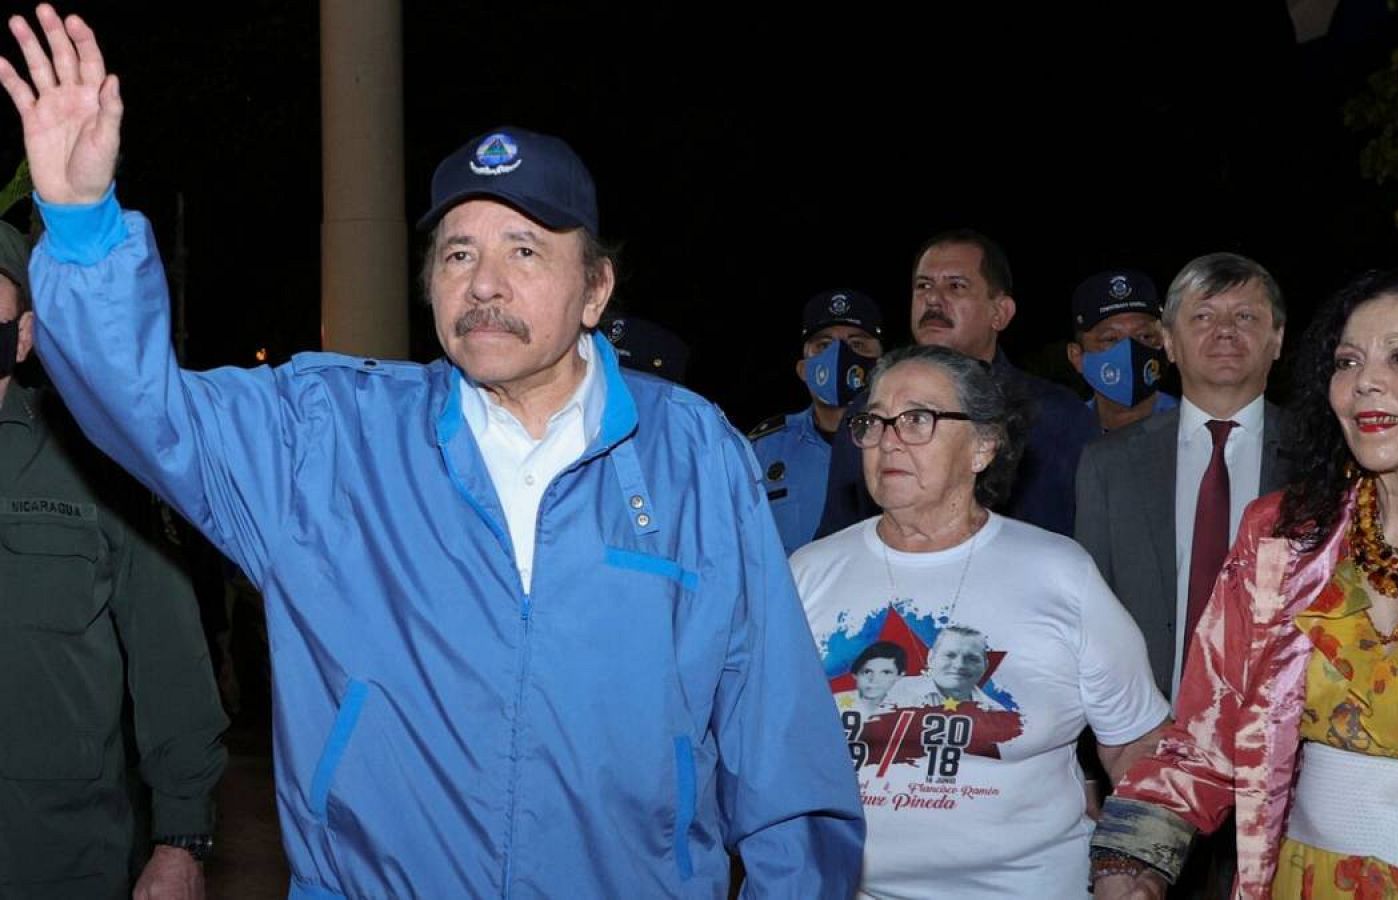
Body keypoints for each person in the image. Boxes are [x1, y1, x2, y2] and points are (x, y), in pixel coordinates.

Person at [1, 8, 863, 897]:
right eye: (458, 253)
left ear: (596, 287)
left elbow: (780, 754)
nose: (484, 283)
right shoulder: (329, 436)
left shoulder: (691, 455)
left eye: (524, 249)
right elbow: (146, 409)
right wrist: (84, 228)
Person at [1090, 268, 1398, 898]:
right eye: (1347, 361)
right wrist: (1132, 860)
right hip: (1309, 880)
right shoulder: (1279, 537)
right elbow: (1208, 731)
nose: (1366, 382)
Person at [793, 344, 1168, 897]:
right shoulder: (809, 573)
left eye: (917, 418)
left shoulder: (1059, 573)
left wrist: (1134, 862)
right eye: (873, 421)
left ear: (983, 446)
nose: (887, 438)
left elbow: (1140, 742)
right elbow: (768, 745)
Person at [0, 217, 227, 898]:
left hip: (56, 862)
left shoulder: (89, 463)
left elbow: (169, 655)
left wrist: (181, 838)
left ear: (25, 335)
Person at [1075, 252, 1289, 700]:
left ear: (1278, 338)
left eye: (1246, 316)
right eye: (1204, 316)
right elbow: (1087, 619)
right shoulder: (1109, 465)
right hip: (1148, 736)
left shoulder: (1325, 460)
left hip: (1285, 739)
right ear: (1169, 343)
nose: (1226, 330)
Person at [814, 230, 1099, 540]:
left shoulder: (1058, 416)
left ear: (999, 313)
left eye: (956, 286)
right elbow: (839, 537)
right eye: (923, 285)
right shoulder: (868, 413)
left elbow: (1092, 540)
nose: (933, 299)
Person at [749, 288, 883, 554]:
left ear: (880, 365)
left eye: (857, 344)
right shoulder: (762, 450)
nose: (839, 355)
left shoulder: (900, 441)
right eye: (823, 345)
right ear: (802, 369)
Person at [1067, 268, 1178, 432]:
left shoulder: (1200, 429)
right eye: (1110, 339)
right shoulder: (1062, 436)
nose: (1130, 349)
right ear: (1076, 356)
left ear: (1169, 345)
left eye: (1145, 336)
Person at [842, 640, 906, 718]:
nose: (874, 680)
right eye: (867, 672)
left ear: (899, 676)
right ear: (855, 674)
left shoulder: (905, 705)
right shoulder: (835, 704)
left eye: (886, 672)